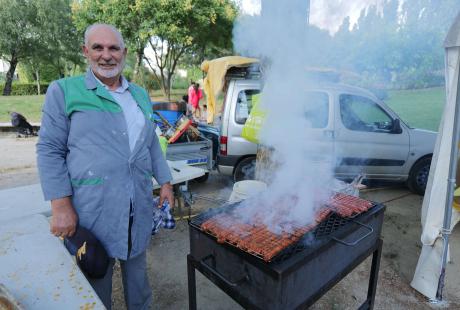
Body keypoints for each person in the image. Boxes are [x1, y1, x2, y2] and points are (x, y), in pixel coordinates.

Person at [36, 23, 174, 310]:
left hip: (137, 204)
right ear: (86, 51)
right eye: (98, 48)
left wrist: (166, 183)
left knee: (138, 277)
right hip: (91, 209)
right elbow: (49, 149)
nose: (106, 55)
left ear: (124, 53)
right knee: (94, 279)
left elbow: (150, 144)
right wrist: (61, 206)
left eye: (113, 48)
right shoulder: (64, 91)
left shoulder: (139, 95)